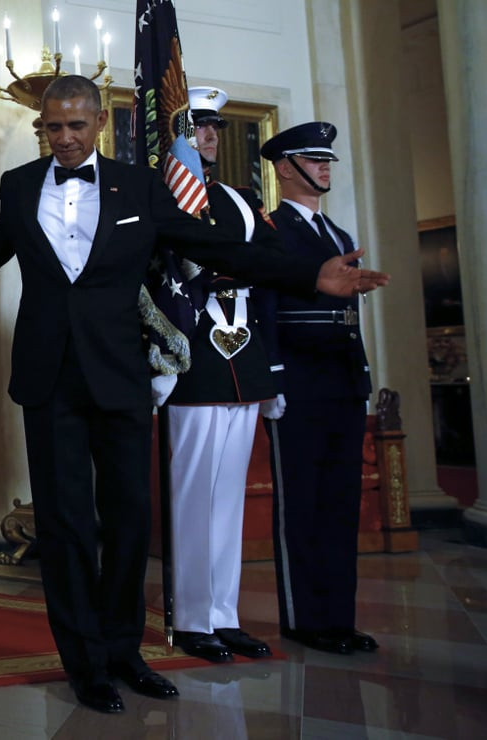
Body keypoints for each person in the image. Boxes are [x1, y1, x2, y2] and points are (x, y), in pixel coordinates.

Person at [0, 75, 387, 714]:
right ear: (42, 127)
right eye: (53, 127)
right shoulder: (20, 186)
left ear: (100, 123)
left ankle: (125, 653)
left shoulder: (138, 187)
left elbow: (213, 246)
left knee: (131, 518)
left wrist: (309, 276)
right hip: (48, 379)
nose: (65, 138)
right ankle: (84, 663)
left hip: (120, 376)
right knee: (67, 524)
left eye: (77, 125)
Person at [255, 122, 379, 655]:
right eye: (313, 158)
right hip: (299, 382)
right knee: (301, 505)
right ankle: (306, 619)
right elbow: (264, 307)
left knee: (339, 503)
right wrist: (274, 378)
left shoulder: (339, 236)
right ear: (285, 168)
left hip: (342, 381)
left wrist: (364, 375)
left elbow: (347, 314)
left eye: (328, 159)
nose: (325, 166)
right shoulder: (270, 230)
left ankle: (339, 617)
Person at [161, 87, 274, 663]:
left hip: (241, 361)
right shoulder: (166, 196)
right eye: (197, 126)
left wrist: (269, 372)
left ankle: (223, 615)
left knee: (227, 498)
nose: (207, 136)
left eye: (213, 128)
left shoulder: (237, 198)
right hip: (195, 364)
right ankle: (191, 616)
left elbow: (265, 280)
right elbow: (157, 285)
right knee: (192, 496)